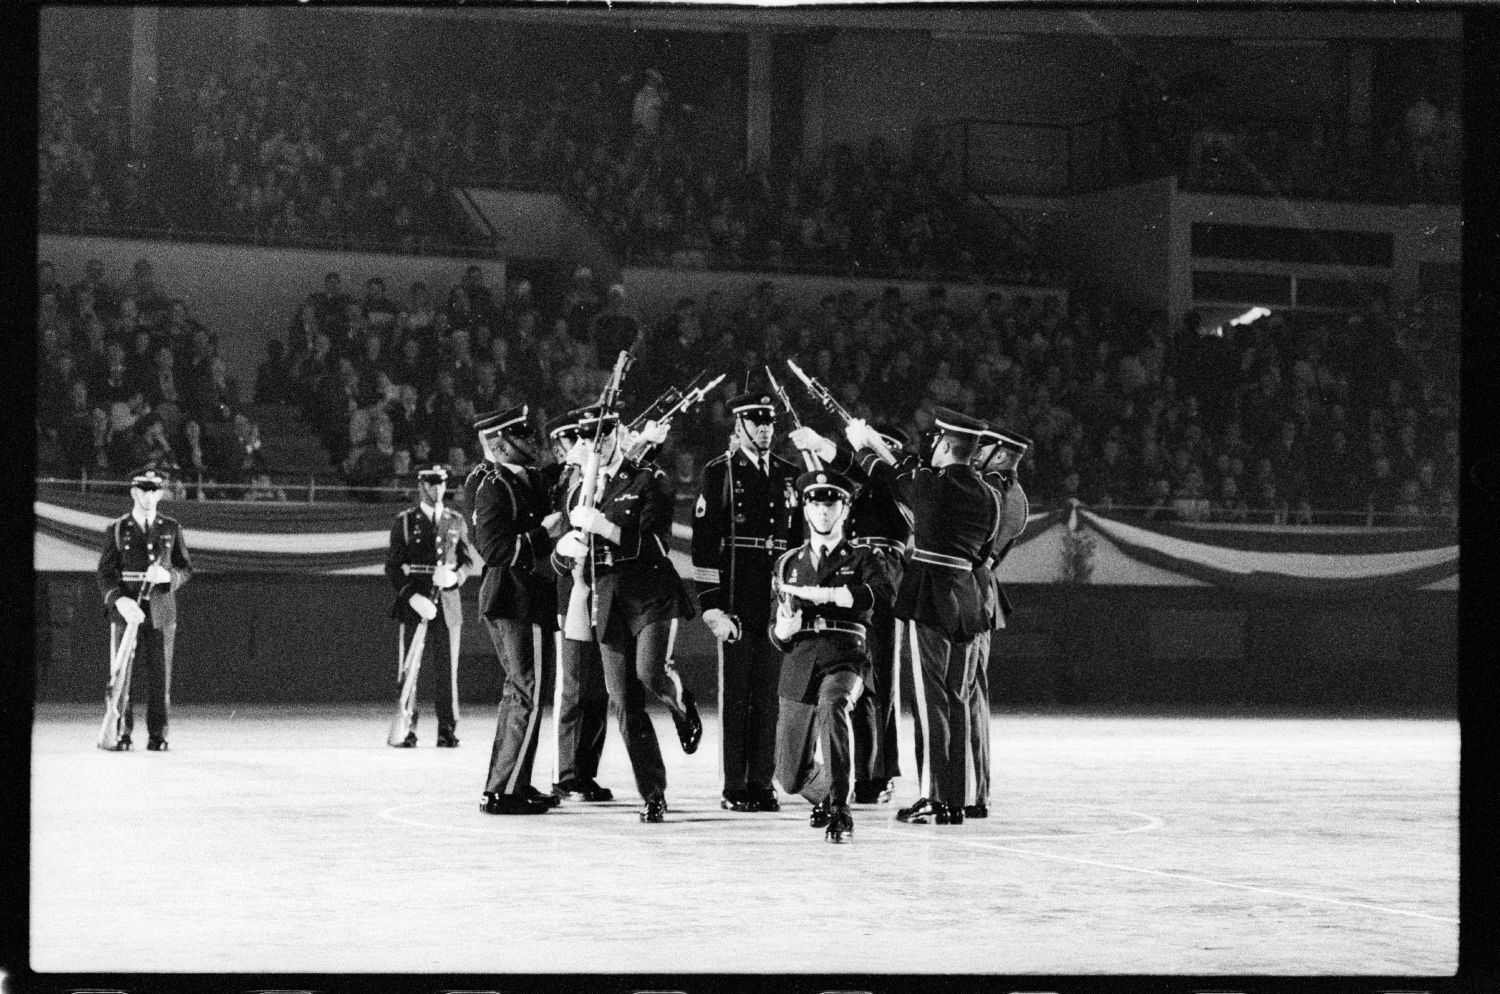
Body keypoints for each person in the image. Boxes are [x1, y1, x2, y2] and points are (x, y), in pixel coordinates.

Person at [845, 406, 998, 825]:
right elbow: (984, 552)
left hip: (931, 597)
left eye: (935, 443)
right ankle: (959, 797)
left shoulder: (932, 485)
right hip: (968, 597)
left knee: (931, 705)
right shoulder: (989, 496)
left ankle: (934, 795)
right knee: (958, 699)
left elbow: (888, 476)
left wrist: (862, 444)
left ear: (947, 445)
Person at [551, 404, 697, 823]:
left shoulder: (650, 480)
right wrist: (564, 551)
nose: (595, 445)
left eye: (603, 436)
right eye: (587, 438)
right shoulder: (580, 488)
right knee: (623, 701)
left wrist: (607, 529)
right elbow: (567, 552)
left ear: (618, 434)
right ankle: (653, 793)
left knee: (650, 674)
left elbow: (656, 546)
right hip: (609, 597)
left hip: (650, 593)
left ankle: (680, 700)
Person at [788, 422, 913, 805]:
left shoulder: (897, 484)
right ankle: (856, 773)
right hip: (853, 568)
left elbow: (864, 475)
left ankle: (879, 771)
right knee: (852, 672)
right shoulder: (862, 485)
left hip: (883, 570)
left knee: (880, 681)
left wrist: (825, 444)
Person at [770, 469, 895, 844]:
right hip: (799, 661)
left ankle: (840, 810)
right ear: (805, 510)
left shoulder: (863, 557)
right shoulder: (788, 562)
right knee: (789, 776)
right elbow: (774, 630)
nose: (823, 512)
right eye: (816, 505)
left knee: (833, 705)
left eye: (832, 504)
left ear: (844, 510)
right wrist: (782, 630)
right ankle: (829, 793)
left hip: (845, 657)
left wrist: (832, 596)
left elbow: (883, 596)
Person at [692, 390, 802, 813]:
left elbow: (797, 545)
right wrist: (711, 607)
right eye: (756, 422)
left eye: (769, 422)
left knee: (769, 695)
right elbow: (704, 545)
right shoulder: (719, 472)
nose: (764, 429)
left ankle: (762, 780)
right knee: (736, 694)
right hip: (738, 596)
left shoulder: (790, 474)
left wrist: (793, 600)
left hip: (775, 601)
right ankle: (734, 783)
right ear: (738, 427)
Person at [465, 406, 568, 815]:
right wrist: (545, 533)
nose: (533, 442)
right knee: (528, 691)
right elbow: (495, 549)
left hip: (521, 597)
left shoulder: (517, 478)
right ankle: (504, 791)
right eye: (522, 436)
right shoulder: (493, 484)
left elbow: (553, 479)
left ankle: (511, 782)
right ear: (498, 443)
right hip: (516, 596)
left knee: (521, 693)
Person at [543, 409, 614, 803]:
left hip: (599, 593)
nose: (583, 449)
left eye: (589, 441)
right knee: (571, 687)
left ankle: (585, 771)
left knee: (597, 689)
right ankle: (565, 772)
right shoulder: (563, 485)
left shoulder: (602, 481)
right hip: (569, 594)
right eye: (579, 442)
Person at [96, 470, 194, 751]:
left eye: (155, 491)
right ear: (134, 493)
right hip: (127, 610)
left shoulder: (171, 527)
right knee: (123, 674)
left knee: (160, 674)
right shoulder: (117, 529)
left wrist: (167, 577)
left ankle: (158, 734)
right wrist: (118, 600)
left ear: (160, 494)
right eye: (144, 490)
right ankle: (121, 732)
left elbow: (185, 568)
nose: (149, 496)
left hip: (161, 610)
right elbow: (104, 574)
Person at [384, 465, 474, 749]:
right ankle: (407, 727)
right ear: (420, 487)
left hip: (447, 603)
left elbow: (467, 561)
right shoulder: (406, 521)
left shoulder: (456, 520)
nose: (437, 490)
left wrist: (455, 576)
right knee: (410, 668)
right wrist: (411, 596)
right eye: (431, 485)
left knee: (447, 670)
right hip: (417, 601)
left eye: (441, 485)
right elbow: (393, 566)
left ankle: (447, 728)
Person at [967, 424, 1032, 819]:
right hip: (979, 593)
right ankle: (972, 787)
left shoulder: (998, 493)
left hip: (973, 591)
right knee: (970, 694)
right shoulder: (1009, 492)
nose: (975, 452)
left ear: (1002, 455)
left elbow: (980, 549)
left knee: (969, 694)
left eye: (985, 448)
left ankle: (974, 789)